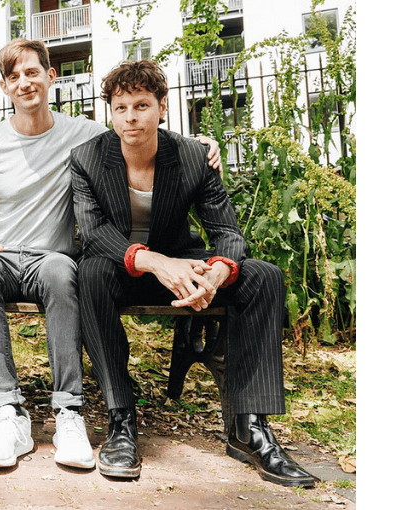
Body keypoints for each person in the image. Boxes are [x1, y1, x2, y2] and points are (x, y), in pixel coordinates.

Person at [0, 39, 220, 469]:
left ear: (50, 76)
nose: (25, 83)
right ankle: (7, 412)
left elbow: (136, 129)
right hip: (0, 255)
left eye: (32, 72)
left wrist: (198, 144)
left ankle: (69, 412)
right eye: (14, 77)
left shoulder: (82, 133)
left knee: (65, 272)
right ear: (4, 87)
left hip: (52, 257)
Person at [69, 59, 316, 487]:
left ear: (162, 107)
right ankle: (121, 419)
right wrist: (156, 262)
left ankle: (250, 429)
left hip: (185, 267)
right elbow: (93, 235)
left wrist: (217, 272)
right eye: (121, 107)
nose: (131, 117)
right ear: (110, 112)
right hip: (124, 269)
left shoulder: (192, 156)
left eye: (142, 105)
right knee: (88, 273)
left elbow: (227, 233)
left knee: (264, 276)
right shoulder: (87, 158)